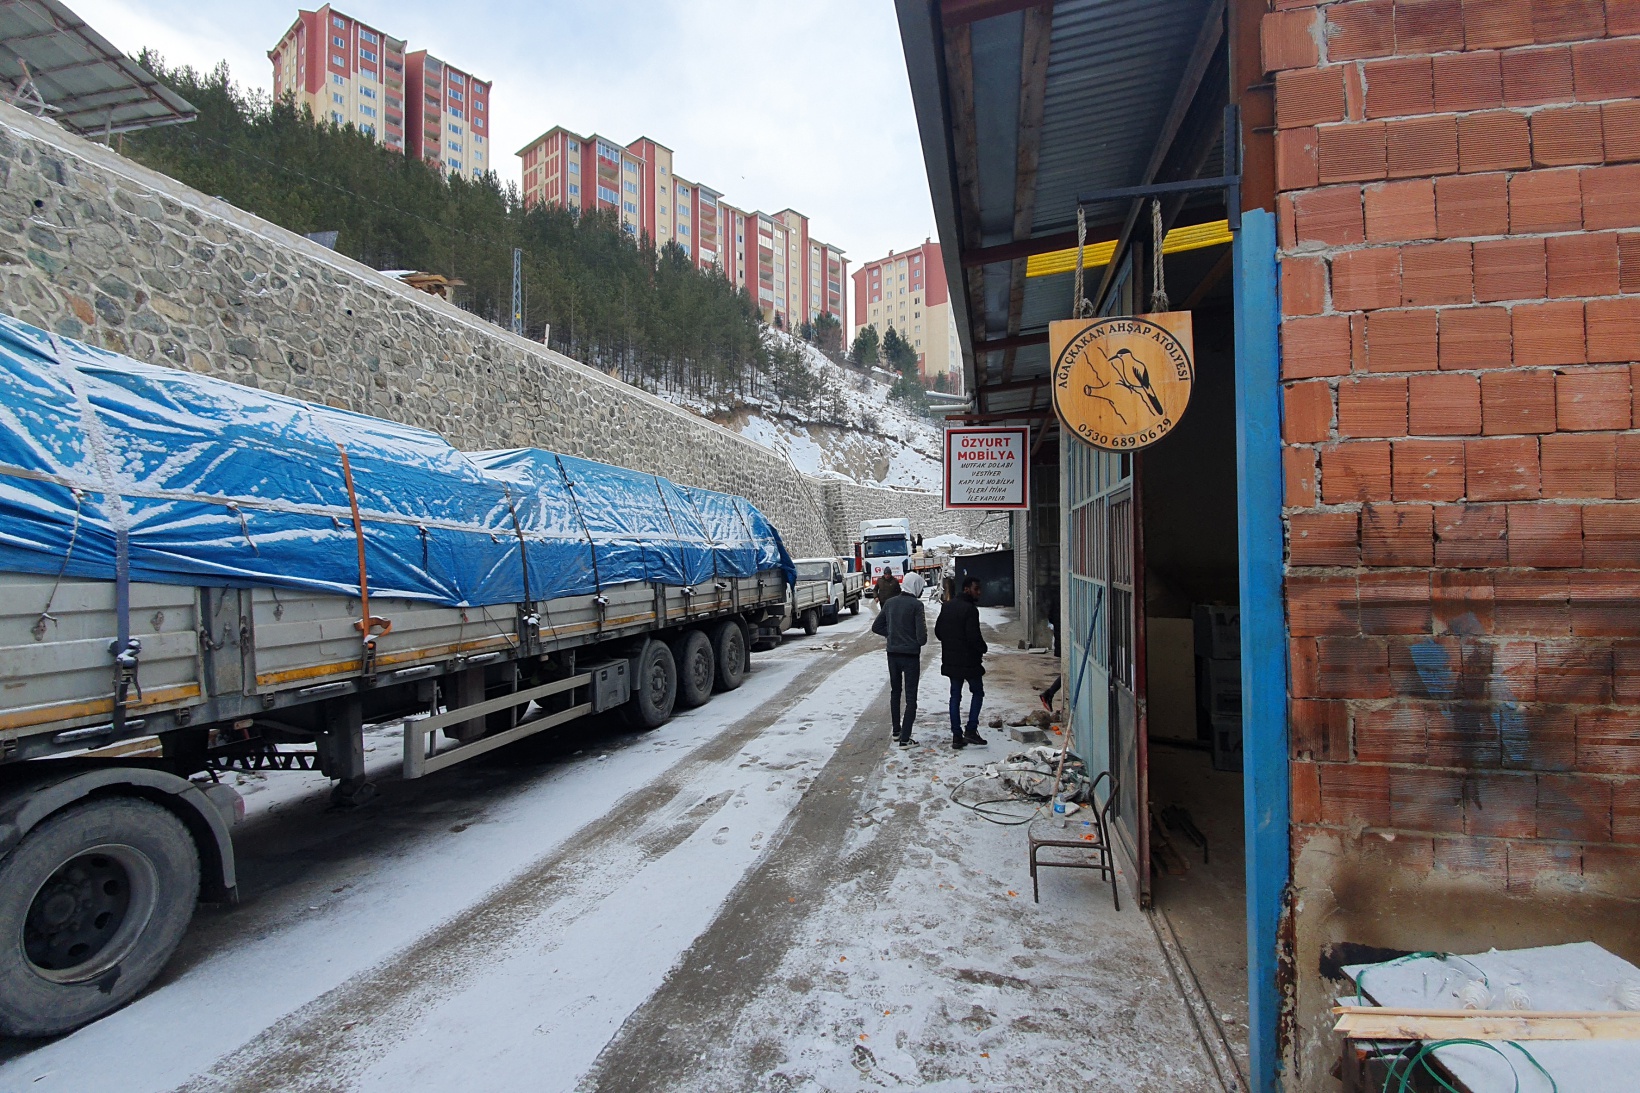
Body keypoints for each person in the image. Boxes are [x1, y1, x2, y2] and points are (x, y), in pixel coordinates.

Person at [870, 574, 927, 746]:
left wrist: (892, 634)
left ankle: (896, 731)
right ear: (915, 586)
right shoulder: (916, 605)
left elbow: (876, 626)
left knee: (895, 692)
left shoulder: (890, 603)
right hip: (910, 656)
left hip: (893, 654)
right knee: (911, 697)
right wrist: (911, 638)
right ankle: (905, 738)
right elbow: (922, 638)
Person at [935, 576, 988, 749]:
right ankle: (971, 730)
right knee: (977, 692)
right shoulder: (970, 609)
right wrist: (982, 648)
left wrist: (951, 643)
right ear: (966, 589)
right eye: (976, 589)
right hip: (970, 661)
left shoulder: (947, 606)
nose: (979, 592)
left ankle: (957, 735)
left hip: (952, 660)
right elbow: (974, 636)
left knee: (955, 696)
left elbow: (938, 631)